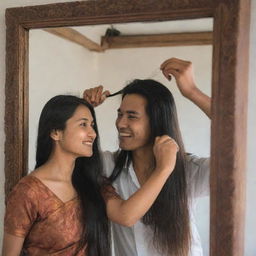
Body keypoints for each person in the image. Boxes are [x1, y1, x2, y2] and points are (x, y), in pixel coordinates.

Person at [3, 95, 179, 256]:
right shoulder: (28, 192)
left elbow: (126, 215)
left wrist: (164, 169)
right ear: (56, 132)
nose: (93, 133)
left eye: (92, 125)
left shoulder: (93, 182)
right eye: (83, 124)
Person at [83, 57, 211, 256]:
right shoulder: (109, 166)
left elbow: (238, 143)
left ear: (157, 121)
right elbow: (68, 152)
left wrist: (192, 92)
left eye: (132, 116)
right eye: (120, 114)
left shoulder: (190, 169)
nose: (120, 123)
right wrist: (83, 109)